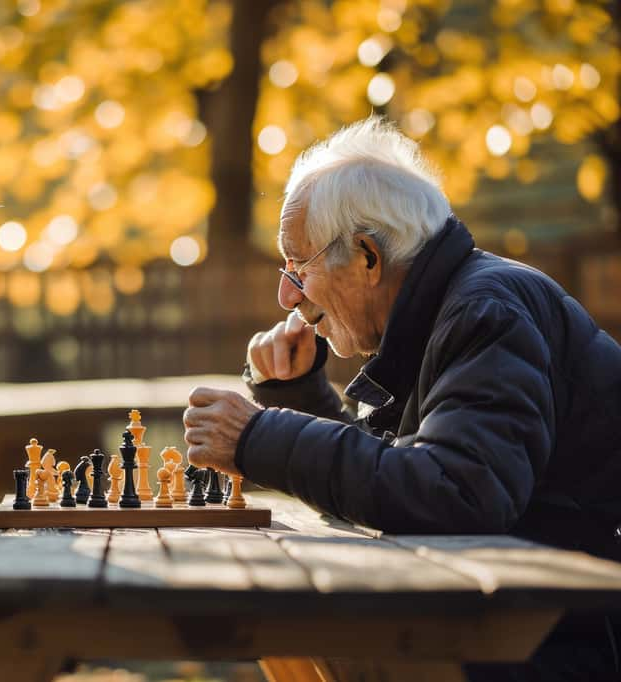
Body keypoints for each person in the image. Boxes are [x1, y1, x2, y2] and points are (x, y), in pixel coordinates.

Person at [183, 117, 621, 680]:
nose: (285, 295)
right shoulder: (442, 311)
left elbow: (454, 494)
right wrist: (296, 397)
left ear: (367, 256)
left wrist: (257, 436)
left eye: (298, 267)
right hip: (534, 623)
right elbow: (398, 480)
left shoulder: (486, 312)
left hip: (574, 640)